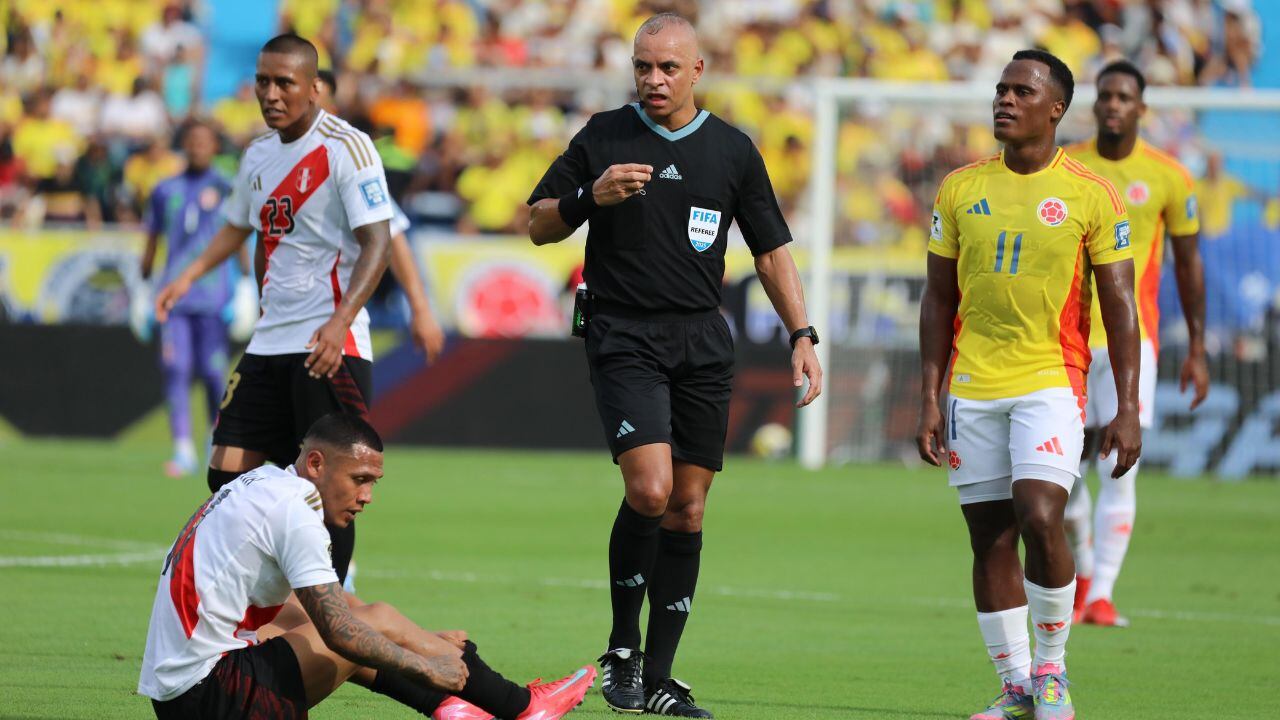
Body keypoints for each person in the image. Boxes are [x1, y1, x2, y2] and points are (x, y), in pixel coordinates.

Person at [526, 13, 822, 718]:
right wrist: (586, 199)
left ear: (697, 71)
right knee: (652, 491)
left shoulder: (731, 151)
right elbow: (537, 221)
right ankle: (622, 648)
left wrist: (802, 334)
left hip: (701, 342)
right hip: (623, 335)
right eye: (643, 67)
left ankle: (659, 676)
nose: (653, 80)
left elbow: (772, 251)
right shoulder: (603, 135)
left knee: (687, 510)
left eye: (667, 68)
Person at [916, 50, 1141, 720]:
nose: (1005, 101)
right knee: (989, 537)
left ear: (1056, 109)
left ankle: (1051, 672)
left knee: (1041, 514)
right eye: (1001, 89)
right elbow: (936, 300)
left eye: (1022, 91)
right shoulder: (960, 188)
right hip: (973, 385)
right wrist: (930, 394)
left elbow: (1121, 306)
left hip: (1051, 377)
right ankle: (1015, 685)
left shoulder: (1090, 194)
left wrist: (1126, 407)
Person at [138, 412, 595, 720]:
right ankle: (523, 707)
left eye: (374, 483)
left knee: (369, 622)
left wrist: (416, 640)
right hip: (212, 696)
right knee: (366, 628)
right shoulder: (296, 514)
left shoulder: (264, 485)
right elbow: (342, 633)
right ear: (316, 463)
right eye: (359, 479)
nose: (367, 496)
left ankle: (451, 708)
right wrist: (426, 664)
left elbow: (318, 608)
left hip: (180, 693)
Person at [155, 34, 392, 587]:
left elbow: (378, 242)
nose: (271, 93)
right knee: (226, 473)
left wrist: (338, 322)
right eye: (263, 80)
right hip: (269, 341)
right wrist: (185, 276)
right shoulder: (258, 153)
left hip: (328, 344)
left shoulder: (346, 147)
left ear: (313, 88)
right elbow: (238, 225)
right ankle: (272, 588)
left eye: (285, 82)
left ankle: (331, 604)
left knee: (331, 486)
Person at [1063, 60, 1207, 628]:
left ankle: (1101, 594)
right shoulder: (1067, 164)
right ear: (1095, 105)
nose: (1113, 104)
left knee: (1119, 466)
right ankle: (1081, 578)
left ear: (1141, 109)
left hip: (1132, 343)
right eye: (1105, 95)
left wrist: (1195, 348)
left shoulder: (1170, 176)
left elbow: (1190, 265)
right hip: (1067, 338)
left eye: (1124, 96)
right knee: (1064, 467)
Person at [141, 121, 242, 478]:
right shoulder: (165, 189)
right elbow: (152, 238)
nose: (198, 147)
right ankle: (181, 447)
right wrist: (143, 283)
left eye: (205, 141)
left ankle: (214, 442)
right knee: (176, 369)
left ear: (214, 146)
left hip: (214, 298)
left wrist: (246, 283)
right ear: (184, 145)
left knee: (215, 375)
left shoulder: (227, 186)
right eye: (193, 141)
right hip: (174, 297)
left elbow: (240, 234)